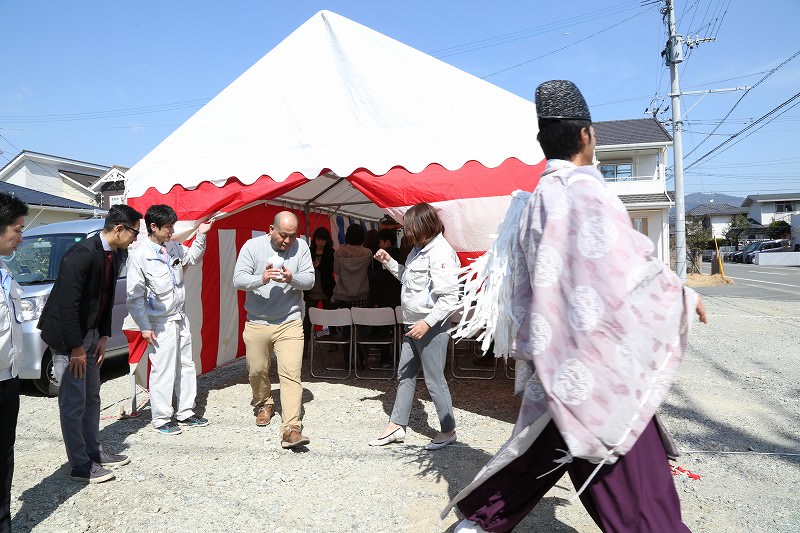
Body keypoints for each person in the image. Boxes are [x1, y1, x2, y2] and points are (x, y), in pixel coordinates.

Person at [445, 80, 707, 532]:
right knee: (636, 482)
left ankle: (478, 525)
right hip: (598, 364)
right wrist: (679, 294)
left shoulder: (535, 200)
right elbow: (624, 267)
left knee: (539, 452)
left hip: (557, 354)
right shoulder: (586, 191)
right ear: (587, 135)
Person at [38, 205, 143, 483]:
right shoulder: (82, 254)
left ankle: (93, 450)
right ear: (119, 228)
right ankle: (79, 464)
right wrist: (75, 347)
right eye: (134, 232)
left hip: (93, 333)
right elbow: (67, 304)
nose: (135, 238)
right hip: (69, 337)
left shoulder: (115, 254)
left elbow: (104, 299)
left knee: (92, 395)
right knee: (74, 401)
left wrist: (104, 334)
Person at [369, 203, 460, 450]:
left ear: (422, 226)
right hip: (413, 324)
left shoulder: (440, 252)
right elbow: (409, 281)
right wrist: (389, 262)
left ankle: (448, 430)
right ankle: (397, 425)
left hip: (430, 327)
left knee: (433, 380)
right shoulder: (418, 250)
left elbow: (450, 298)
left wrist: (427, 323)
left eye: (409, 229)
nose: (406, 234)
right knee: (405, 375)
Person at [126, 205, 212, 435]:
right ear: (153, 227)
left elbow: (193, 257)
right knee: (163, 369)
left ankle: (185, 412)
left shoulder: (174, 247)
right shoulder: (140, 255)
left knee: (186, 364)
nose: (171, 232)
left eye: (172, 227)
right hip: (158, 323)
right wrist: (144, 326)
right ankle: (162, 417)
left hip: (180, 318)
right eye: (167, 227)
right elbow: (134, 297)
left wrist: (201, 235)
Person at [233, 211, 314, 449]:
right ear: (271, 228)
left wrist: (292, 278)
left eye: (292, 236)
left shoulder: (302, 248)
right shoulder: (252, 247)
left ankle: (291, 428)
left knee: (291, 374)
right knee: (256, 370)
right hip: (258, 321)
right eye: (283, 235)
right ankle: (265, 402)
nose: (287, 241)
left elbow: (310, 280)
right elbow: (238, 280)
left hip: (290, 321)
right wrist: (262, 278)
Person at [0, 193, 27, 533]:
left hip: (8, 379)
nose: (22, 237)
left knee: (4, 456)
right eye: (18, 229)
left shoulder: (5, 272)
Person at [332, 223, 373, 367]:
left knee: (346, 331)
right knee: (362, 330)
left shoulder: (339, 252)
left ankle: (348, 361)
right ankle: (363, 359)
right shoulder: (367, 253)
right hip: (362, 294)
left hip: (343, 295)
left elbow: (336, 270)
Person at [369, 229, 402, 368]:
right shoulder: (402, 255)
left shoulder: (381, 257)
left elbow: (378, 281)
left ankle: (385, 359)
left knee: (384, 330)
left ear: (387, 242)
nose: (379, 245)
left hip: (384, 299)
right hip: (399, 299)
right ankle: (399, 357)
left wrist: (375, 300)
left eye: (381, 242)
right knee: (400, 330)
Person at [303, 227, 335, 342]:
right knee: (308, 319)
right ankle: (305, 346)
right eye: (318, 239)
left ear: (327, 241)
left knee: (331, 317)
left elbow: (331, 270)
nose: (320, 242)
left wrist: (319, 266)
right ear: (314, 240)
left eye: (323, 240)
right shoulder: (309, 252)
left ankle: (333, 342)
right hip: (311, 291)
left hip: (327, 290)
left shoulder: (331, 252)